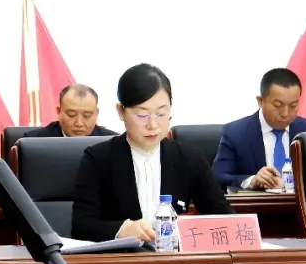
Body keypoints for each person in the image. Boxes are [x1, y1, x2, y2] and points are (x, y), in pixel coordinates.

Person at [71, 63, 232, 243]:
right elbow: (80, 226)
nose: (152, 125)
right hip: (123, 257)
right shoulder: (98, 159)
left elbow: (225, 217)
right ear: (121, 111)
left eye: (161, 113)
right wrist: (120, 230)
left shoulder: (189, 158)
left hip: (174, 256)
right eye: (142, 115)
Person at [212, 68, 306, 190]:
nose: (285, 113)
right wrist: (251, 180)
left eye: (293, 106)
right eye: (278, 105)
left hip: (299, 202)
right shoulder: (235, 133)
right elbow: (218, 176)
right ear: (260, 101)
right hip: (258, 202)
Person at [21, 84, 118, 139]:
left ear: (96, 113)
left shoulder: (112, 142)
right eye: (71, 115)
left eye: (87, 115)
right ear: (59, 111)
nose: (79, 123)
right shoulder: (33, 141)